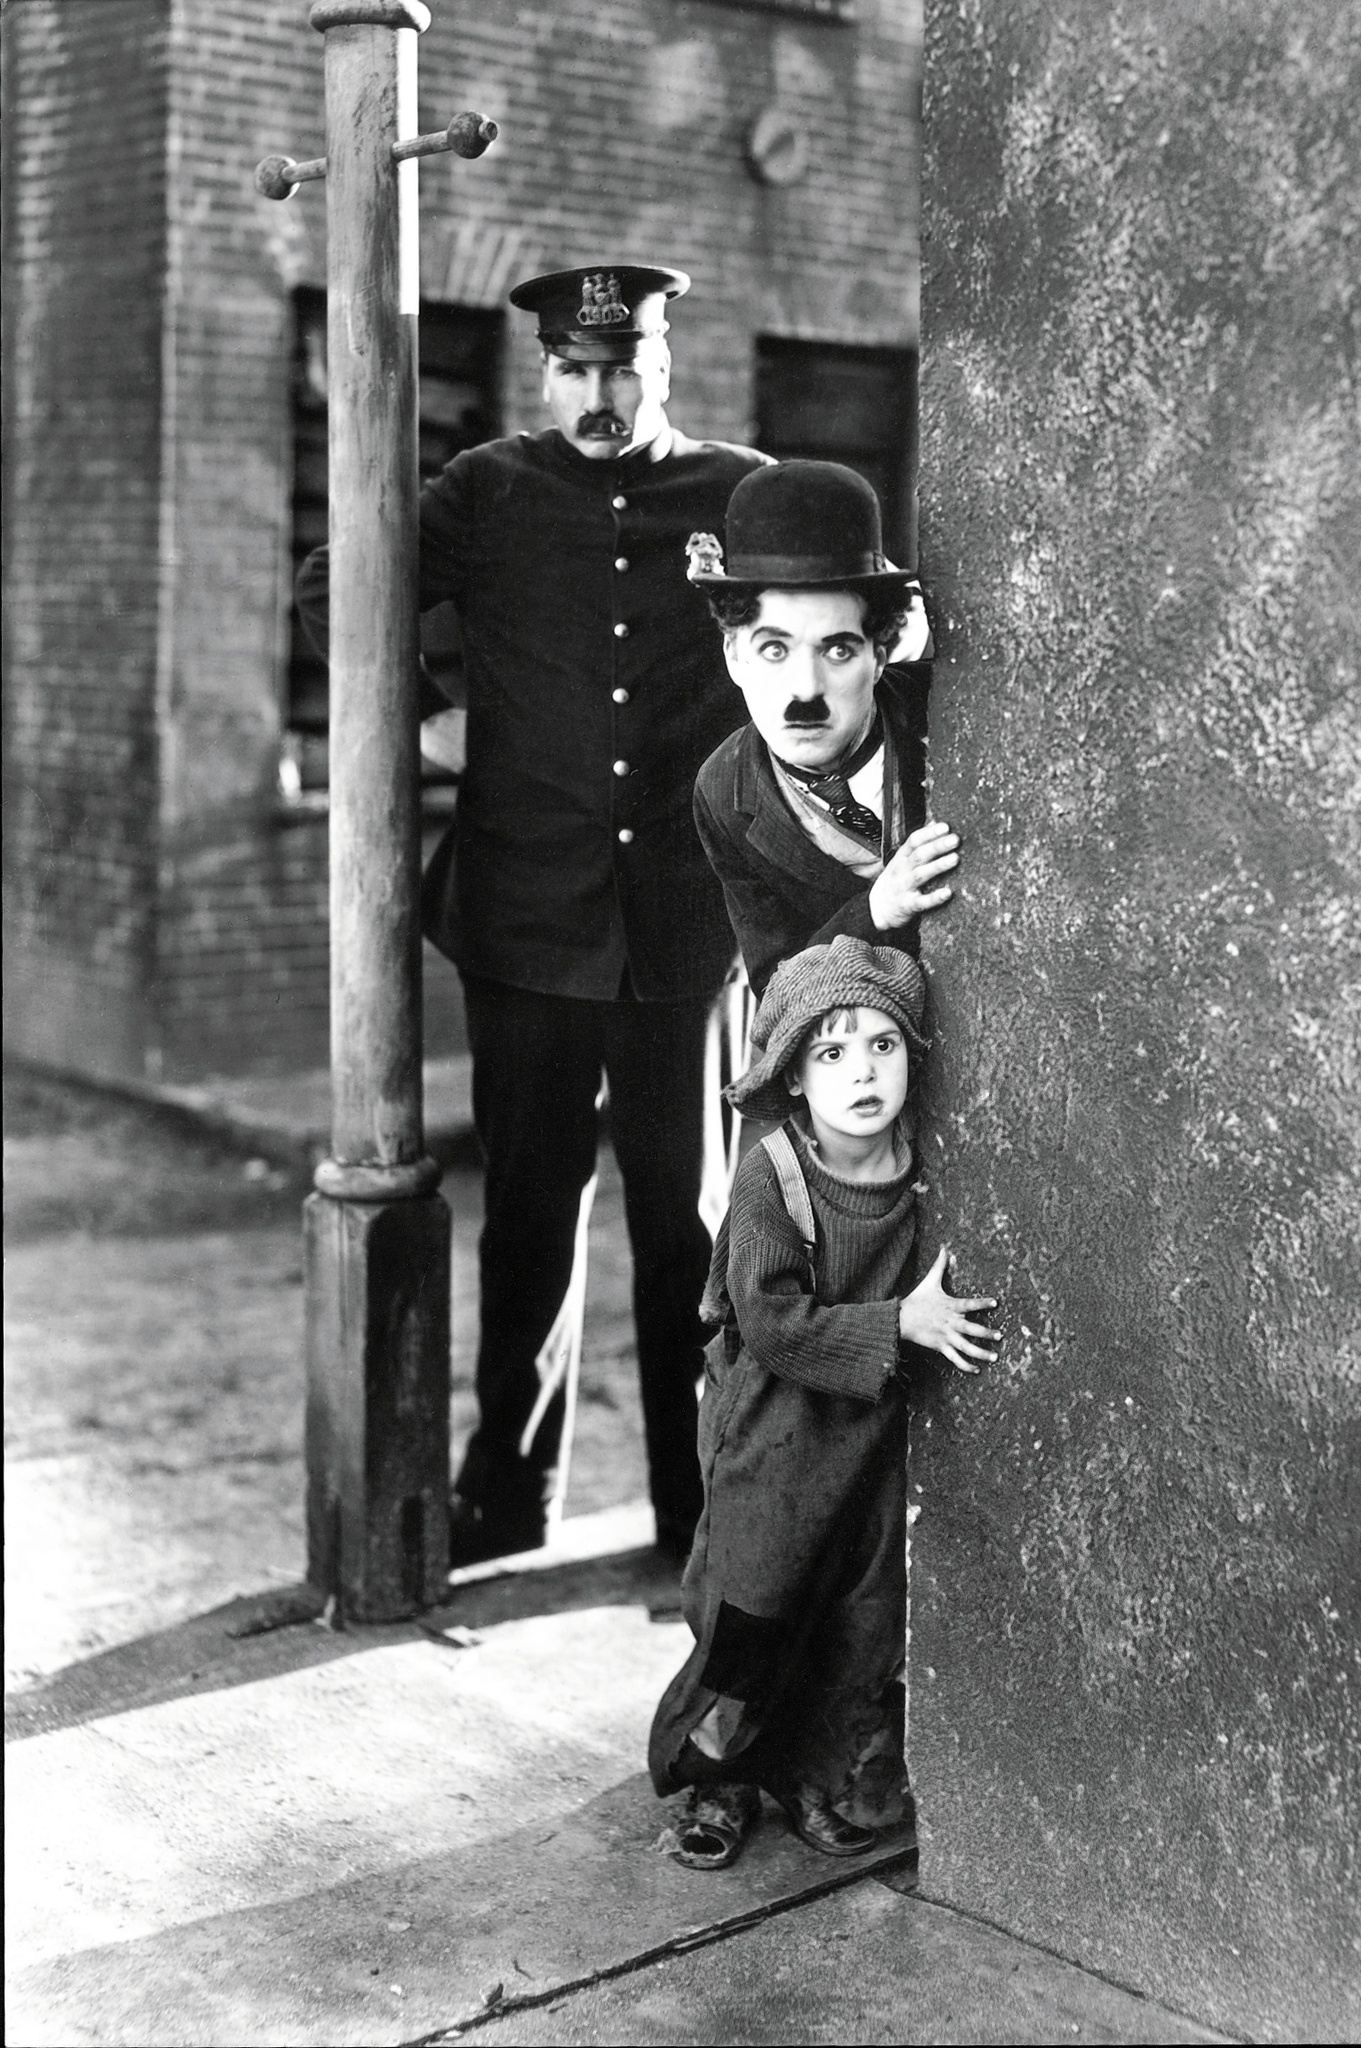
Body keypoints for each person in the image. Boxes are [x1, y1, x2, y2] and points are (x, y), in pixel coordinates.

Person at [296, 264, 770, 1567]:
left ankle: (695, 1504)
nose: (599, 394)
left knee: (689, 1228)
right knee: (527, 1218)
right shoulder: (490, 491)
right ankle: (510, 1496)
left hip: (681, 931)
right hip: (527, 921)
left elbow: (856, 614)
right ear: (543, 371)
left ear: (664, 363)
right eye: (575, 369)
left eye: (624, 367)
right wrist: (425, 721)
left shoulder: (739, 491)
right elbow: (337, 582)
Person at [647, 935, 1000, 1867]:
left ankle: (815, 1776)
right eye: (830, 1052)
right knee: (751, 1611)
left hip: (867, 1434)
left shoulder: (921, 1161)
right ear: (794, 1078)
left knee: (859, 1618)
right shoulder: (776, 1174)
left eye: (882, 1046)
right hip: (772, 1433)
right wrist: (901, 1327)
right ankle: (716, 1781)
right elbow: (767, 1319)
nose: (860, 1072)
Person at [688, 460, 962, 998]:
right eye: (775, 650)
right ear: (734, 657)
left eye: (838, 650)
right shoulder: (723, 791)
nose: (805, 690)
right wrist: (876, 910)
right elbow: (777, 983)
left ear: (880, 655)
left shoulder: (947, 713)